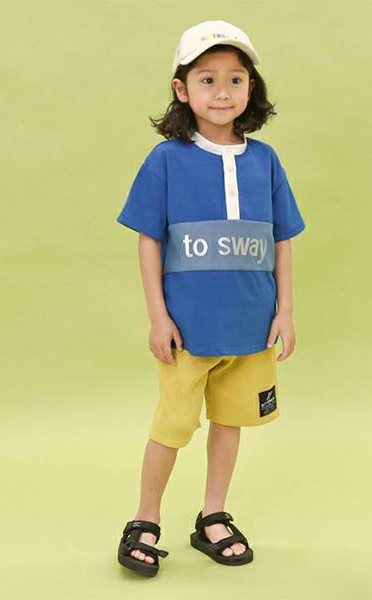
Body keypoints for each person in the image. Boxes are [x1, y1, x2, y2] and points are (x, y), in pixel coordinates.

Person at [115, 20, 306, 577]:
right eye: (207, 79)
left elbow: (282, 239)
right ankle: (145, 519)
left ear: (251, 87)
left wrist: (285, 310)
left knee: (230, 422)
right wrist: (158, 316)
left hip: (252, 328)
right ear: (182, 89)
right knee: (171, 428)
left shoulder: (266, 160)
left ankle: (213, 515)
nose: (222, 92)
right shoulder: (166, 160)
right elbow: (149, 240)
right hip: (188, 332)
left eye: (235, 79)